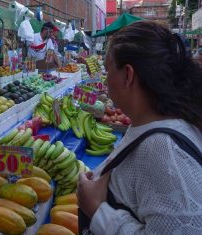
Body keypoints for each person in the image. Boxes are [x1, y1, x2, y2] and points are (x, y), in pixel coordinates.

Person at [77, 20, 202, 235]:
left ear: (128, 75)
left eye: (108, 70)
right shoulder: (158, 125)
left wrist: (98, 210)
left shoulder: (161, 150)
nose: (105, 81)